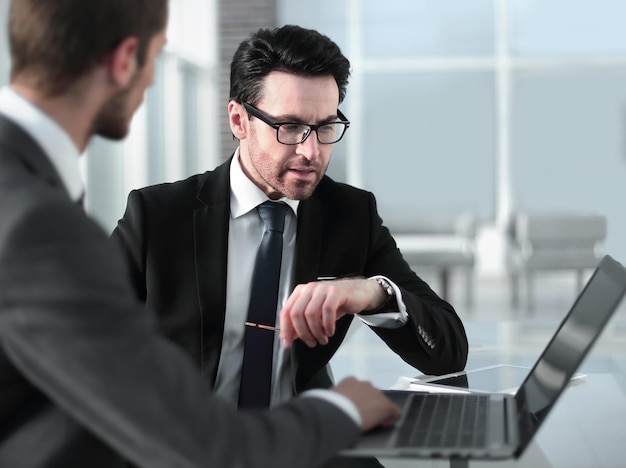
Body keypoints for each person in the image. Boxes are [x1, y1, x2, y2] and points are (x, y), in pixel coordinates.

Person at [0, 2, 402, 468]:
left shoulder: (25, 194)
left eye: (324, 127)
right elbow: (203, 446)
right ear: (125, 60)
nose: (153, 81)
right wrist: (344, 410)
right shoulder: (38, 223)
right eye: (155, 57)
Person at [111, 24, 468, 411]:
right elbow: (76, 346)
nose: (311, 151)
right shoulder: (158, 217)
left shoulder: (349, 216)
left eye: (325, 127)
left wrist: (369, 293)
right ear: (238, 121)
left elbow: (449, 350)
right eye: (291, 127)